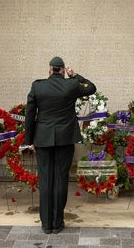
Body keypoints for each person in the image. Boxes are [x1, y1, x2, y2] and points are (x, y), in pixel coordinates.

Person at [24, 56, 97, 234]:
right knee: (60, 179)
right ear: (63, 70)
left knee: (46, 180)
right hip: (65, 139)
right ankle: (57, 223)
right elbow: (92, 88)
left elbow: (30, 115)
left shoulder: (38, 86)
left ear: (49, 69)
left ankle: (46, 224)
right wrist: (76, 75)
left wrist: (29, 141)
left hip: (42, 139)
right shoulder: (71, 85)